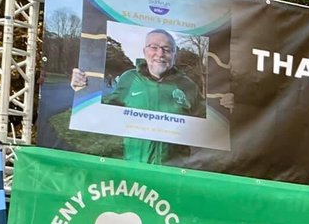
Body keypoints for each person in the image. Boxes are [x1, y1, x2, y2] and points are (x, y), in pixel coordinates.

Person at [70, 29, 217, 165]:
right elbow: (100, 111)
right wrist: (83, 88)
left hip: (175, 171)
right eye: (154, 47)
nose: (160, 53)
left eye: (167, 49)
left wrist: (224, 107)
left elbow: (212, 123)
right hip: (134, 167)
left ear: (174, 54)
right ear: (144, 51)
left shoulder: (189, 86)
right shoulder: (129, 79)